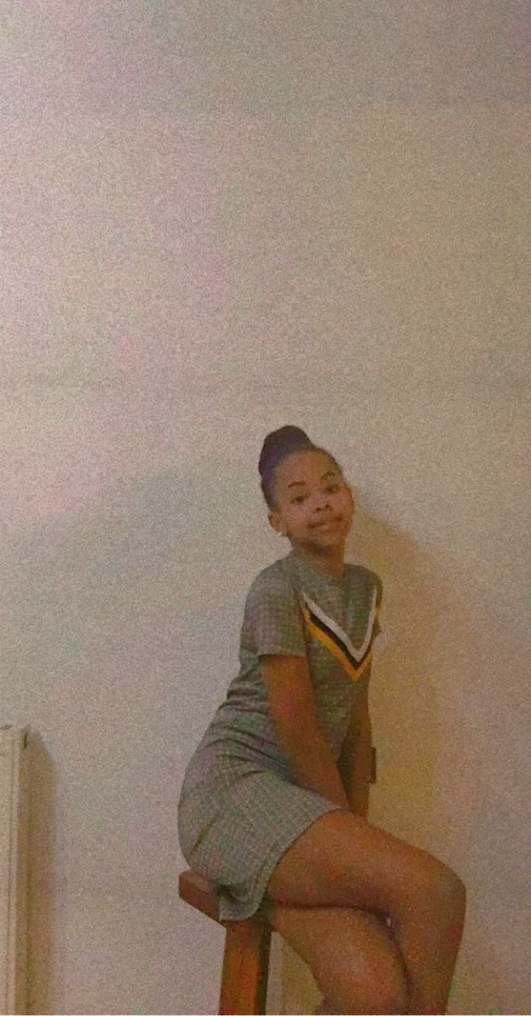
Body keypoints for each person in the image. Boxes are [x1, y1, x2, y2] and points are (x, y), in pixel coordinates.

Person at [178, 426, 466, 1015]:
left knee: (376, 997)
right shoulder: (276, 589)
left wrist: (354, 832)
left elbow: (355, 725)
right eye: (300, 497)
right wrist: (352, 843)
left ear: (350, 496)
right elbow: (300, 732)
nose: (321, 504)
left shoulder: (365, 590)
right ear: (277, 520)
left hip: (302, 810)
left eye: (331, 487)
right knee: (436, 892)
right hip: (232, 796)